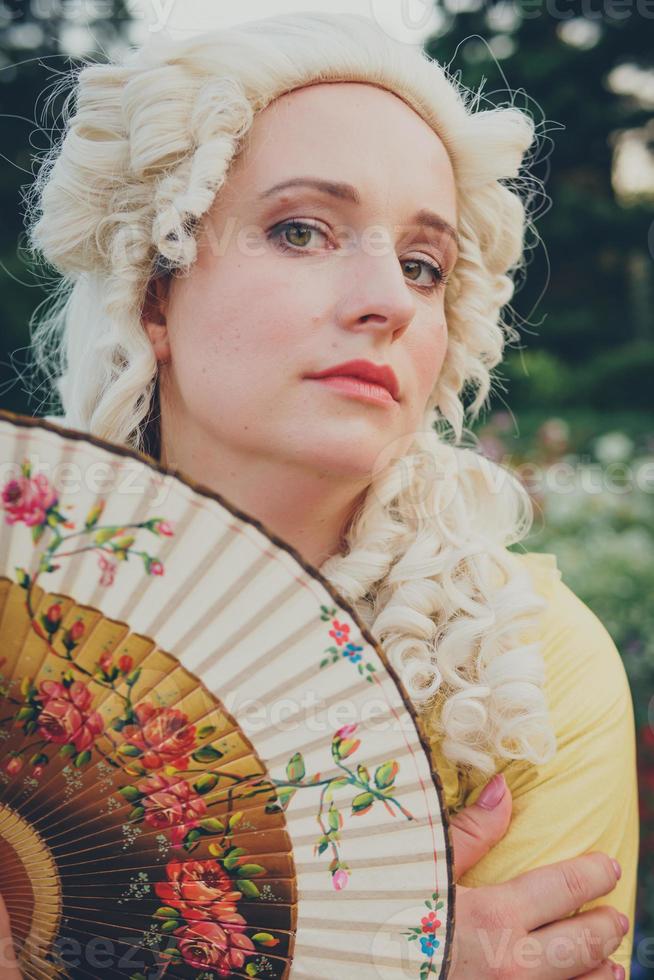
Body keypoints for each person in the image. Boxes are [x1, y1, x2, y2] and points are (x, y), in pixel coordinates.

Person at [16, 11, 636, 978]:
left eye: (424, 265)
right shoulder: (19, 598)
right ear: (152, 292)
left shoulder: (521, 674)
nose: (385, 297)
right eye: (300, 230)